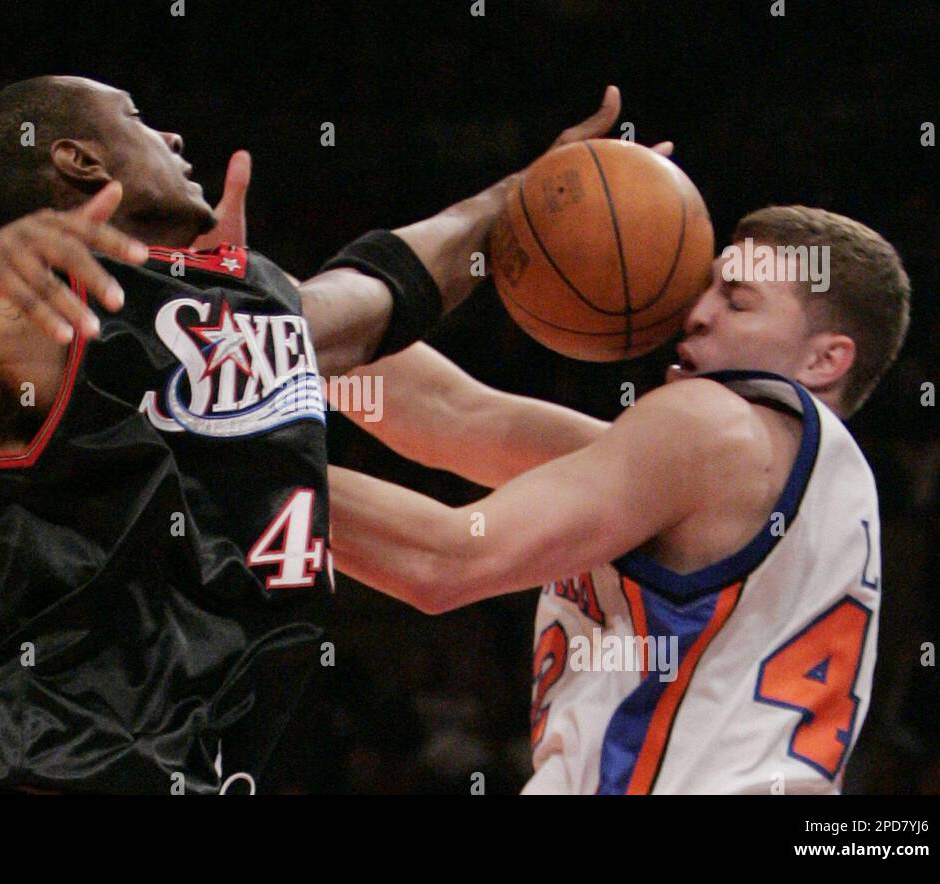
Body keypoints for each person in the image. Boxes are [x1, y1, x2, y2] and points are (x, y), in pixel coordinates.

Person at [0, 75, 653, 793]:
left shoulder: (258, 308)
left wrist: (534, 187)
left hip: (196, 766)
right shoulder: (25, 323)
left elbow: (392, 279)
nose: (176, 131)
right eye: (141, 117)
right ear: (79, 160)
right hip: (44, 768)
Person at [328, 205, 910, 794]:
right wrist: (267, 312)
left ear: (824, 359)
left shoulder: (711, 429)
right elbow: (451, 415)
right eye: (705, 287)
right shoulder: (773, 472)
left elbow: (442, 562)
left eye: (737, 301)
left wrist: (246, 461)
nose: (698, 313)